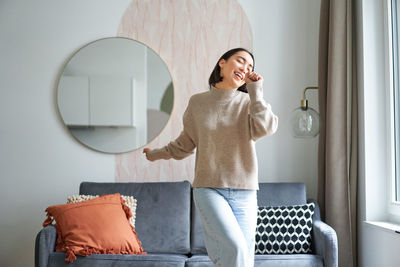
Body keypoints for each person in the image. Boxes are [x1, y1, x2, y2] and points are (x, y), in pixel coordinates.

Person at [143, 48, 278, 267]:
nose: (245, 68)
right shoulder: (197, 102)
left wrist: (256, 92)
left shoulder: (248, 102)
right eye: (240, 61)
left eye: (250, 67)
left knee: (244, 255)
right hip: (209, 188)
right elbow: (185, 144)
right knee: (235, 248)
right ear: (222, 64)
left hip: (245, 191)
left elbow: (264, 128)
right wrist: (155, 154)